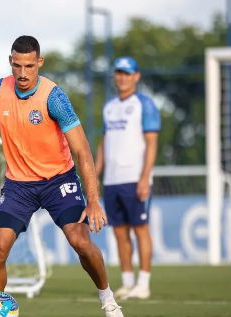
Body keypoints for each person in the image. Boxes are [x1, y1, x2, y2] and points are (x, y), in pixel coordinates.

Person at [0, 35, 125, 317]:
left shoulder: (54, 97)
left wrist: (93, 200)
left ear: (39, 63)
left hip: (59, 180)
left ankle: (108, 299)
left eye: (29, 66)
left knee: (80, 242)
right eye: (17, 66)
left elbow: (83, 151)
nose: (22, 73)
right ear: (11, 62)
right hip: (18, 185)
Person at [94, 56, 160, 300]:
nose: (122, 77)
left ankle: (143, 283)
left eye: (127, 73)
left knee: (140, 229)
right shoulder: (109, 106)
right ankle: (127, 282)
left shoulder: (145, 104)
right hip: (112, 180)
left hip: (135, 178)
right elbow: (105, 142)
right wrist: (95, 173)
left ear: (136, 76)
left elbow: (151, 143)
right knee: (119, 232)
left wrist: (145, 178)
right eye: (118, 73)